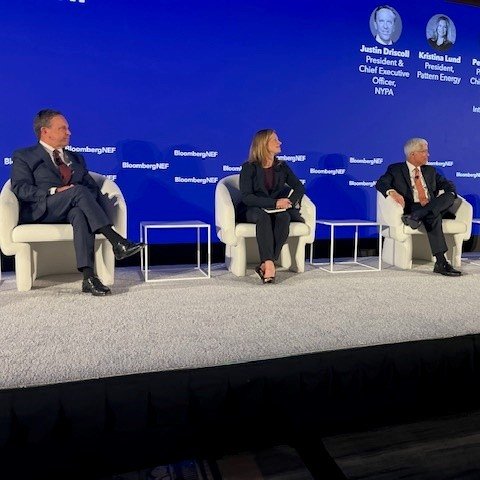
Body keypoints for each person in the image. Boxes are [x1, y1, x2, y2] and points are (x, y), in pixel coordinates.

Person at [11, 109, 145, 295]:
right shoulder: (25, 156)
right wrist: (54, 191)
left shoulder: (75, 158)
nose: (69, 132)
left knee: (79, 213)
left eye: (68, 128)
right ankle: (116, 240)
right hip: (43, 209)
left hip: (74, 207)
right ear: (45, 131)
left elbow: (92, 188)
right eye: (62, 128)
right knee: (78, 191)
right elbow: (20, 188)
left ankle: (89, 277)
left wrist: (78, 195)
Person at [376, 138, 461, 276]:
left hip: (429, 205)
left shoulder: (430, 171)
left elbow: (447, 184)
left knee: (450, 196)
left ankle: (418, 216)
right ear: (412, 154)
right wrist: (392, 192)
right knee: (434, 215)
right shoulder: (396, 169)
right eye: (424, 152)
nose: (428, 155)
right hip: (413, 206)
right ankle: (441, 262)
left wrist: (449, 190)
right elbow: (381, 183)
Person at [238, 129, 305, 284]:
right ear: (263, 144)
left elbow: (299, 187)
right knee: (263, 216)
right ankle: (270, 264)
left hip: (276, 210)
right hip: (253, 209)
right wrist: (274, 203)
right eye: (275, 140)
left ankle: (267, 263)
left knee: (284, 216)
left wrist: (288, 202)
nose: (279, 142)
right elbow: (247, 197)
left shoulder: (282, 166)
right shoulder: (249, 168)